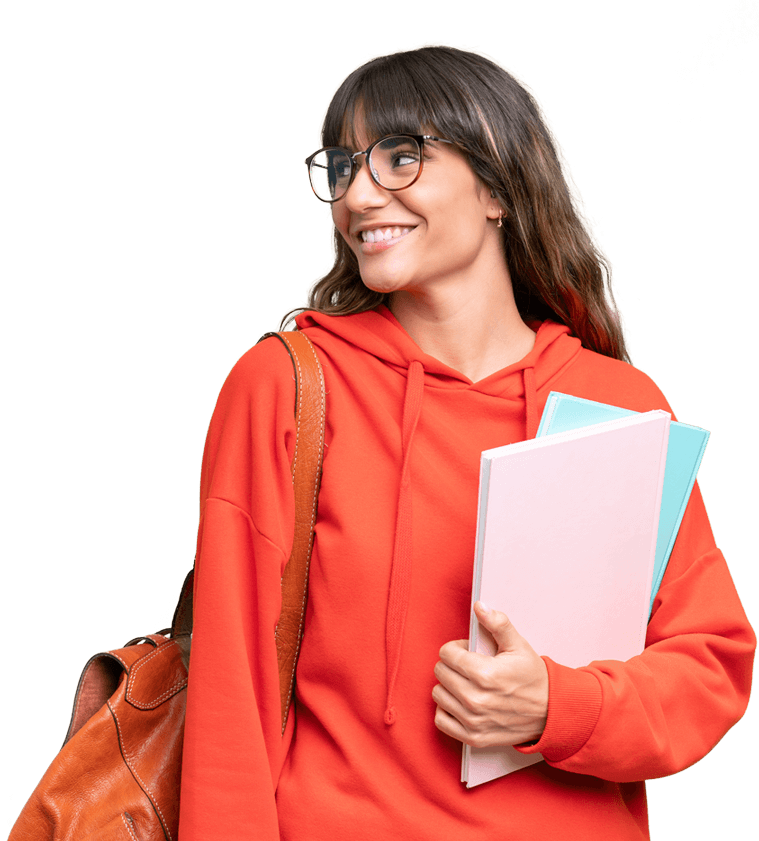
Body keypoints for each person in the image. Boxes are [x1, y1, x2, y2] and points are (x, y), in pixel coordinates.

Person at [177, 44, 755, 839]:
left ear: (496, 187)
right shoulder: (285, 385)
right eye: (342, 169)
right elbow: (227, 693)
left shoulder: (614, 403)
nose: (357, 195)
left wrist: (556, 704)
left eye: (401, 157)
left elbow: (708, 664)